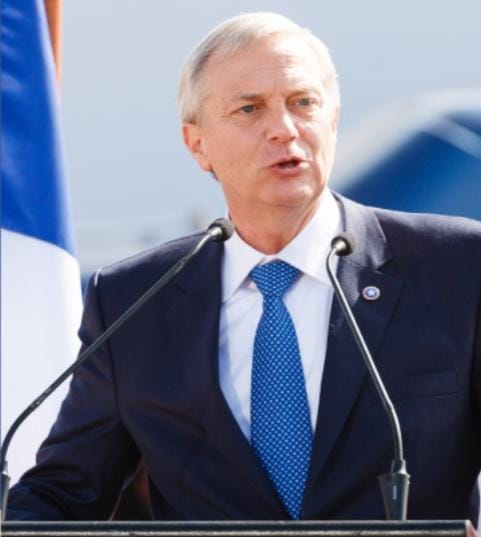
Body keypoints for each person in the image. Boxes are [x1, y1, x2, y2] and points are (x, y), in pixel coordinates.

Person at [7, 12, 481, 523]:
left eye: (303, 103)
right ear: (197, 144)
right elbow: (62, 496)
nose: (284, 129)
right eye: (249, 109)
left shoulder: (456, 265)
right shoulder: (133, 301)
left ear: (333, 119)